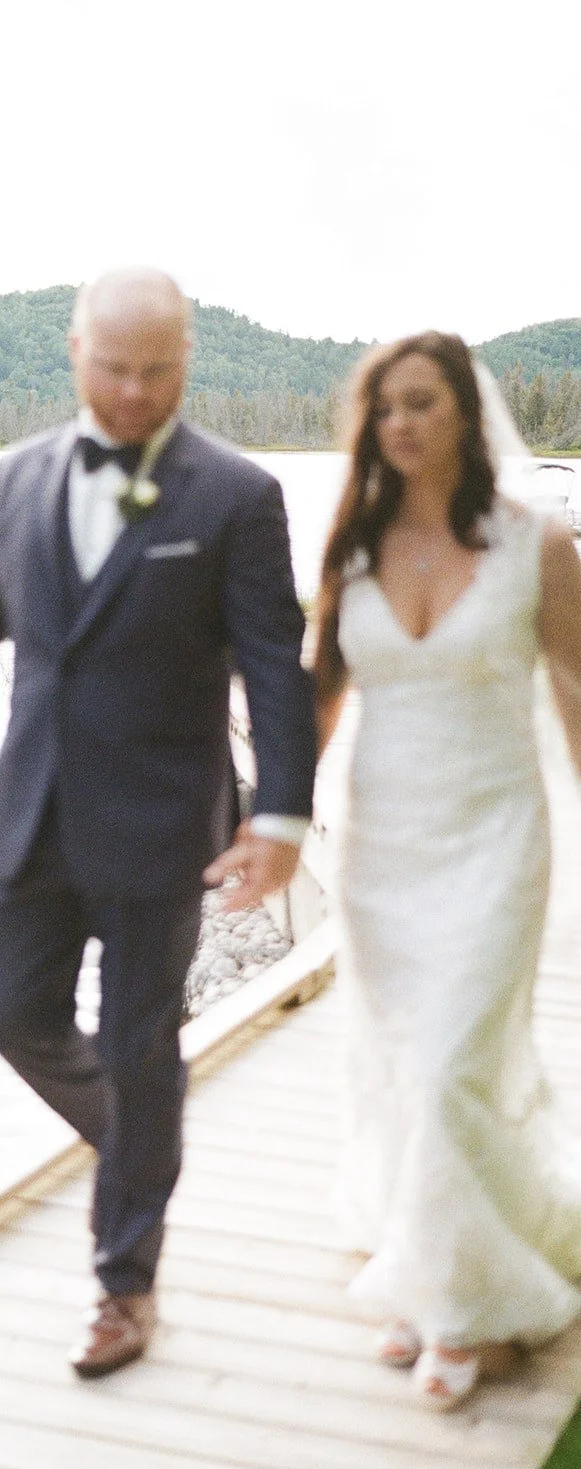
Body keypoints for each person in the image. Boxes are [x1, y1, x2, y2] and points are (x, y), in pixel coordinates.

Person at [0, 267, 317, 1377]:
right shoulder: (16, 475)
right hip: (28, 814)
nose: (134, 393)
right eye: (115, 368)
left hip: (162, 825)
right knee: (10, 1013)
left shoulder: (234, 495)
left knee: (139, 1045)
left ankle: (123, 1285)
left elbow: (274, 666)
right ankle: (142, 1150)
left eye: (158, 370)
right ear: (73, 349)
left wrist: (279, 813)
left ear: (186, 360)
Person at [314, 331, 581, 1409]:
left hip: (492, 840)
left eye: (421, 402)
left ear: (464, 416)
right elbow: (317, 698)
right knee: (399, 1060)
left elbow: (573, 679)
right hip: (378, 850)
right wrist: (265, 821)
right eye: (384, 406)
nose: (400, 423)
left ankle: (471, 1312)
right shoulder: (351, 545)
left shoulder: (537, 544)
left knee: (452, 1066)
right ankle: (432, 1269)